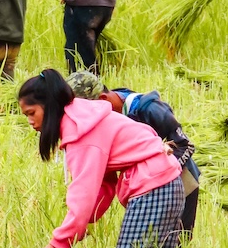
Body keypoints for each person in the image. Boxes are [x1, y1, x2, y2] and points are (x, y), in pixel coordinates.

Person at [18, 69, 185, 248]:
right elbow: (105, 185)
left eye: (32, 113)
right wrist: (82, 223)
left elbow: (83, 195)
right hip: (167, 184)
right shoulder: (85, 118)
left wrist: (57, 244)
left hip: (154, 188)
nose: (30, 121)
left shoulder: (82, 133)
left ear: (49, 106)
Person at [67, 72, 199, 235]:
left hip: (182, 180)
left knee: (177, 239)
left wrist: (161, 171)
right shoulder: (111, 114)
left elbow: (186, 145)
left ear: (102, 100)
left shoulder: (150, 109)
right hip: (143, 187)